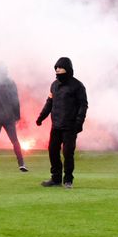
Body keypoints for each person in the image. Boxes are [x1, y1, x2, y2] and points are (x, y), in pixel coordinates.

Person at [35, 56, 87, 188]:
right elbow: (49, 103)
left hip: (70, 127)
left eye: (60, 67)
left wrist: (78, 123)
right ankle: (56, 178)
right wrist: (41, 117)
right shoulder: (54, 85)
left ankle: (68, 180)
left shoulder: (77, 86)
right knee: (52, 151)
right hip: (56, 126)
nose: (57, 70)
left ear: (67, 69)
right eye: (56, 68)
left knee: (68, 153)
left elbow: (83, 105)